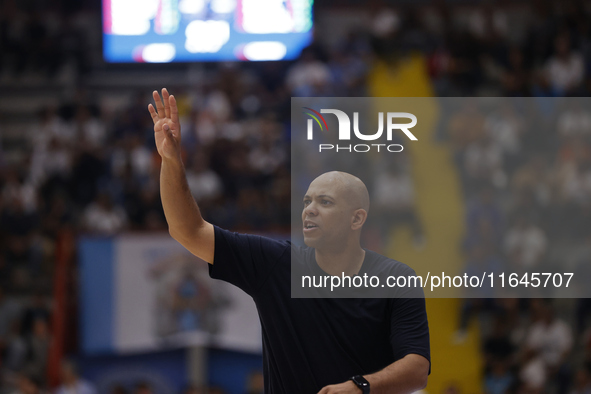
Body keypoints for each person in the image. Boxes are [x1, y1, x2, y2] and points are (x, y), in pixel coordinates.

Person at [148, 88, 430, 394]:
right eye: (307, 201)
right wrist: (170, 160)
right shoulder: (276, 264)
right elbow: (186, 231)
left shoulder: (396, 279)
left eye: (325, 202)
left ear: (356, 219)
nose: (309, 209)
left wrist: (358, 386)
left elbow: (416, 369)